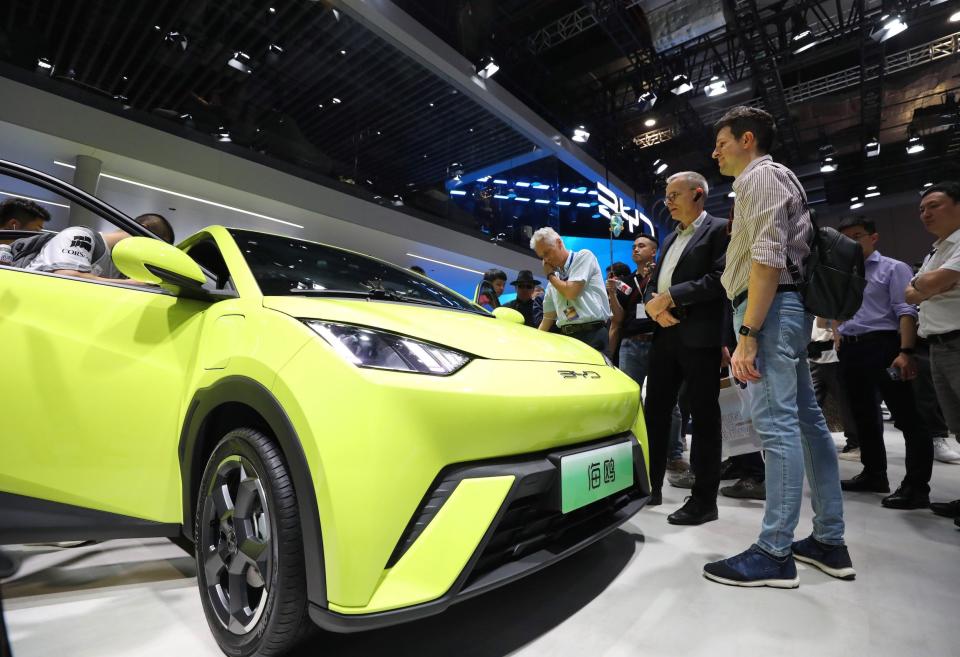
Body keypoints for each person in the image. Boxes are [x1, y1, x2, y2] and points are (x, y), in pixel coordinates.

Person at [704, 106, 852, 588]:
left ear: (748, 139)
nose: (716, 151)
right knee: (806, 424)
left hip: (768, 311)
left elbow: (766, 260)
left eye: (722, 143)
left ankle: (774, 551)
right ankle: (829, 540)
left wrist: (747, 335)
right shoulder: (770, 180)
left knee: (776, 427)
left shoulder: (761, 178)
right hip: (778, 310)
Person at [642, 171, 729, 521]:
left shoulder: (720, 228)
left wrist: (668, 298)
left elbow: (720, 279)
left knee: (704, 417)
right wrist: (654, 304)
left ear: (697, 194)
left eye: (675, 194)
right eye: (666, 195)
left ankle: (704, 500)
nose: (668, 201)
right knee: (656, 411)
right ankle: (650, 485)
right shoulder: (668, 239)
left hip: (701, 335)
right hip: (665, 334)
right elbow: (655, 283)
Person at [834, 216, 932, 509]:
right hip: (852, 350)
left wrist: (906, 351)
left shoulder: (893, 268)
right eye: (846, 238)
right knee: (863, 416)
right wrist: (839, 333)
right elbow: (837, 309)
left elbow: (906, 310)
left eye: (857, 235)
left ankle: (916, 486)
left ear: (873, 238)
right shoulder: (844, 272)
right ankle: (874, 474)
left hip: (885, 346)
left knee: (907, 417)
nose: (852, 242)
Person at [606, 239, 688, 479]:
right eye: (633, 246)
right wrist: (612, 293)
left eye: (641, 246)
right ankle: (634, 450)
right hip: (631, 344)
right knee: (631, 400)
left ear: (654, 251)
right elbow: (618, 319)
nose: (635, 249)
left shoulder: (664, 276)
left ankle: (673, 454)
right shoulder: (627, 283)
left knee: (668, 402)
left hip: (660, 340)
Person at [906, 181, 960, 527]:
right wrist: (926, 285)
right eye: (923, 208)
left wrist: (924, 285)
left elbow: (925, 286)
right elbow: (911, 293)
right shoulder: (936, 250)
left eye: (934, 206)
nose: (925, 214)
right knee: (957, 425)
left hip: (958, 342)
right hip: (939, 346)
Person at [13, 213, 175, 283]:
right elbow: (68, 277)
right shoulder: (81, 236)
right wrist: (139, 284)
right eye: (156, 244)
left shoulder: (121, 267)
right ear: (142, 228)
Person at [530, 227, 611, 350]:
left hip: (592, 334)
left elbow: (571, 292)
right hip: (567, 338)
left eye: (547, 253)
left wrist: (549, 275)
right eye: (542, 256)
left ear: (559, 243)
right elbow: (548, 317)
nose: (546, 260)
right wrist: (533, 343)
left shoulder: (583, 256)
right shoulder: (555, 279)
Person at [809, 319, 861, 460]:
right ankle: (812, 443)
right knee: (810, 405)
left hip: (834, 357)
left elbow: (825, 322)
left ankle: (855, 444)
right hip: (814, 357)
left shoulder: (831, 301)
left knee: (846, 404)